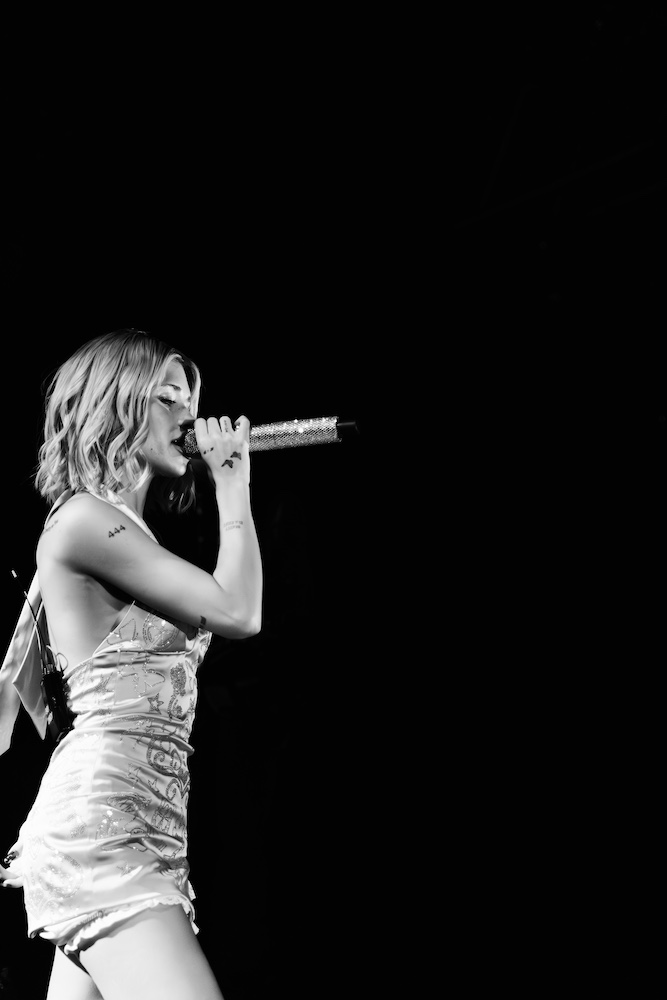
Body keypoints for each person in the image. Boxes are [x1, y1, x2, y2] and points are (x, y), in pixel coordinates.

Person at [0, 329, 263, 1000]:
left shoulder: (127, 530)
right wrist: (233, 487)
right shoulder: (87, 521)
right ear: (114, 405)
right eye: (168, 398)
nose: (189, 416)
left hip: (145, 829)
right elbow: (238, 611)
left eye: (191, 400)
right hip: (106, 834)